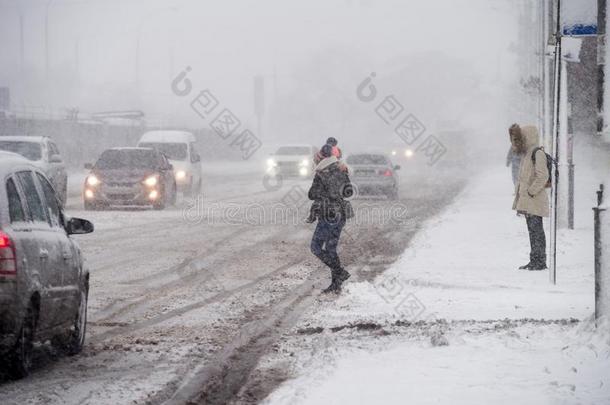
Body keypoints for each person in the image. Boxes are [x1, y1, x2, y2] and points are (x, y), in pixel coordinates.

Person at [308, 144, 354, 293]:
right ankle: (336, 283)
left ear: (322, 157)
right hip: (340, 215)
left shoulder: (321, 173)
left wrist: (325, 192)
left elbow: (312, 195)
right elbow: (348, 192)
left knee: (316, 247)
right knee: (331, 248)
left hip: (328, 215)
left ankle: (339, 272)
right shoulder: (341, 170)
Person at [511, 125, 549, 270]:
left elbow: (543, 175)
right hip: (529, 200)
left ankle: (540, 261)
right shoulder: (527, 153)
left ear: (529, 136)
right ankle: (534, 260)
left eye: (524, 136)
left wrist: (531, 191)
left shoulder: (537, 153)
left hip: (535, 199)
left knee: (537, 231)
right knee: (532, 231)